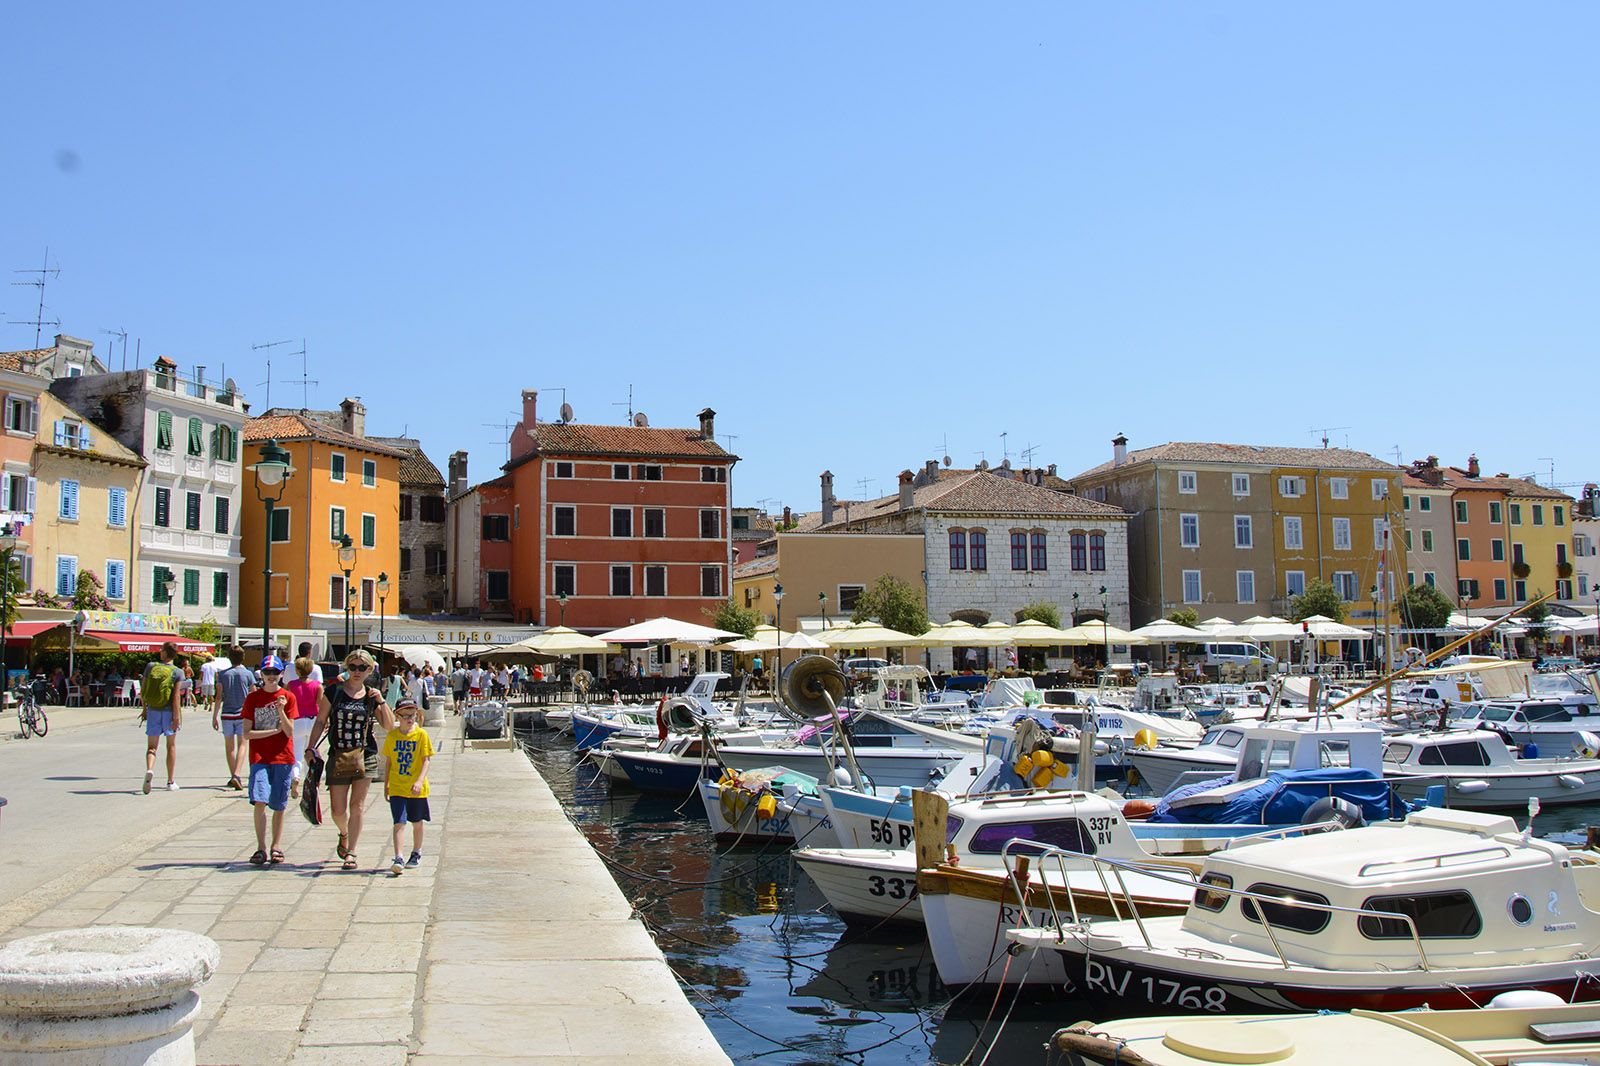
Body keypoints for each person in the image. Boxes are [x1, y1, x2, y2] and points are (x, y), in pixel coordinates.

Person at [307, 649, 394, 870]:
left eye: (361, 668)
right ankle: (344, 833)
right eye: (352, 667)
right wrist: (310, 747)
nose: (356, 672)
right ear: (347, 667)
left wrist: (381, 701)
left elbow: (389, 725)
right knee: (337, 810)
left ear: (369, 670)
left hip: (365, 754)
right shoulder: (334, 691)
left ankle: (352, 852)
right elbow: (320, 721)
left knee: (357, 805)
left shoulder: (371, 695)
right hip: (339, 754)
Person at [242, 656, 296, 865]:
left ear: (281, 674)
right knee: (259, 800)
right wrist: (273, 731)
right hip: (259, 757)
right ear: (261, 675)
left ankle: (276, 846)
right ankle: (261, 847)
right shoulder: (253, 699)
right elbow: (247, 733)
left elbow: (289, 731)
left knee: (279, 804)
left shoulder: (288, 697)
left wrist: (281, 710)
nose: (271, 676)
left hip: (283, 757)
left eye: (275, 672)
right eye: (267, 672)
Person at [381, 697, 434, 875]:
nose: (409, 719)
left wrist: (419, 781)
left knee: (417, 822)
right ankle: (398, 856)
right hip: (397, 786)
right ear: (397, 716)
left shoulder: (421, 735)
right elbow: (388, 762)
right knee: (399, 822)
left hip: (416, 789)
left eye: (412, 715)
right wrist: (386, 784)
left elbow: (426, 761)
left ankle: (416, 852)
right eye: (405, 715)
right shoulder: (392, 736)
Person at [141, 642, 184, 793]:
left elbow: (143, 690)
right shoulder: (177, 672)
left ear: (164, 652)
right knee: (170, 746)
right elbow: (176, 697)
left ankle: (150, 769)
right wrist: (176, 717)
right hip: (168, 712)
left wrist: (144, 709)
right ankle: (170, 781)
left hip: (153, 710)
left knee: (152, 747)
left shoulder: (150, 667)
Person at [212, 646, 256, 790]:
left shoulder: (222, 675)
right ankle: (237, 774)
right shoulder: (247, 674)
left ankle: (233, 775)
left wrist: (214, 716)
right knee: (242, 744)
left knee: (229, 746)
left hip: (226, 714)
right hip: (242, 714)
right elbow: (253, 696)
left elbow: (218, 697)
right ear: (243, 658)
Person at [283, 657, 322, 799]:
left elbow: (286, 703)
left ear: (297, 671)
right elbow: (320, 705)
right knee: (311, 752)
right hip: (312, 721)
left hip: (297, 720)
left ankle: (295, 776)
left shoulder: (291, 685)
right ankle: (310, 782)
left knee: (296, 753)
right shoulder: (317, 685)